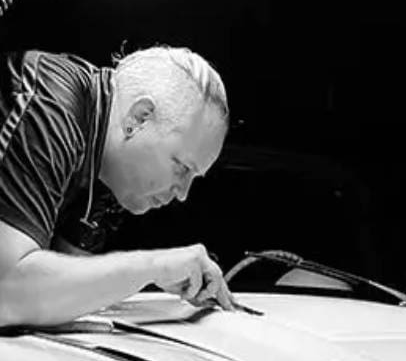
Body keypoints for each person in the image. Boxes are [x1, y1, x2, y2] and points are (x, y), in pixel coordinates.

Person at [0, 44, 235, 327]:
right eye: (181, 167)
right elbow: (8, 293)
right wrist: (155, 267)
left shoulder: (110, 172)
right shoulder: (49, 105)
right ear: (138, 118)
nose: (183, 194)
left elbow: (54, 294)